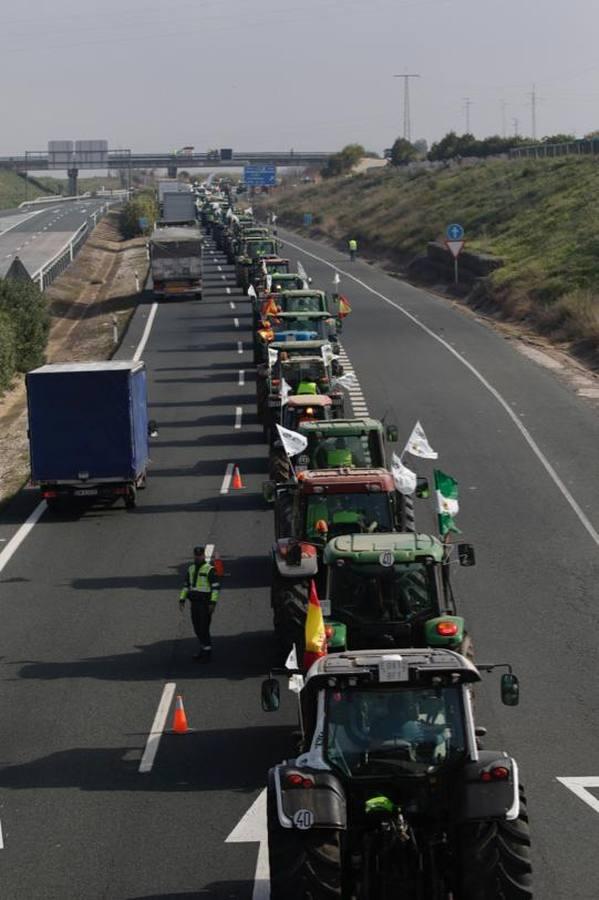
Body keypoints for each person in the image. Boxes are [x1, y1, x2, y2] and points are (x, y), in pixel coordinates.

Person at [179, 546, 221, 661]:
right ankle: (203, 650)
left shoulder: (209, 569)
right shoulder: (191, 568)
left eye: (200, 555)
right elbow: (186, 585)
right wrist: (182, 599)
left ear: (203, 555)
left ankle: (207, 653)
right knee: (197, 628)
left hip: (205, 604)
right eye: (196, 555)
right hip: (195, 604)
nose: (198, 557)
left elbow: (216, 588)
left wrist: (213, 603)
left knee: (203, 628)